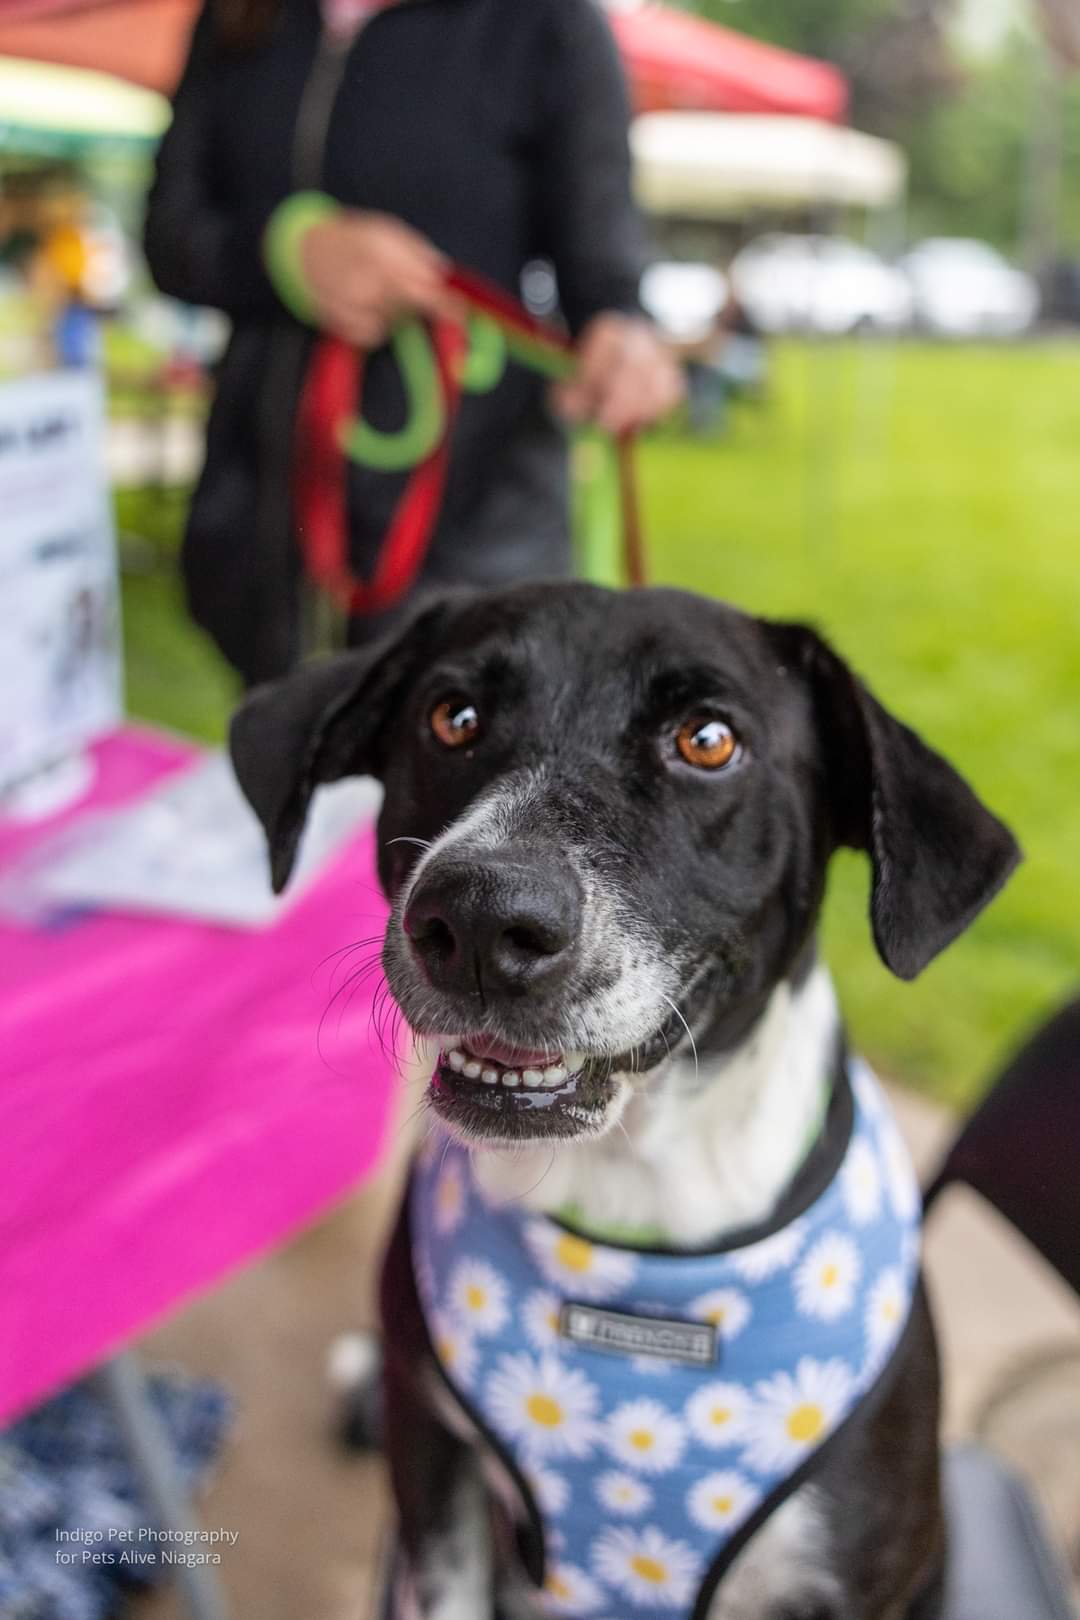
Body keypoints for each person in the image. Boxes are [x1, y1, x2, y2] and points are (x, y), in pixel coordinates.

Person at [145, 0, 683, 685]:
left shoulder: (548, 23)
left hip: (472, 514)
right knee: (287, 732)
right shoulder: (241, 16)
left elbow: (604, 269)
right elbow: (169, 233)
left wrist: (623, 337)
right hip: (264, 506)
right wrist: (285, 252)